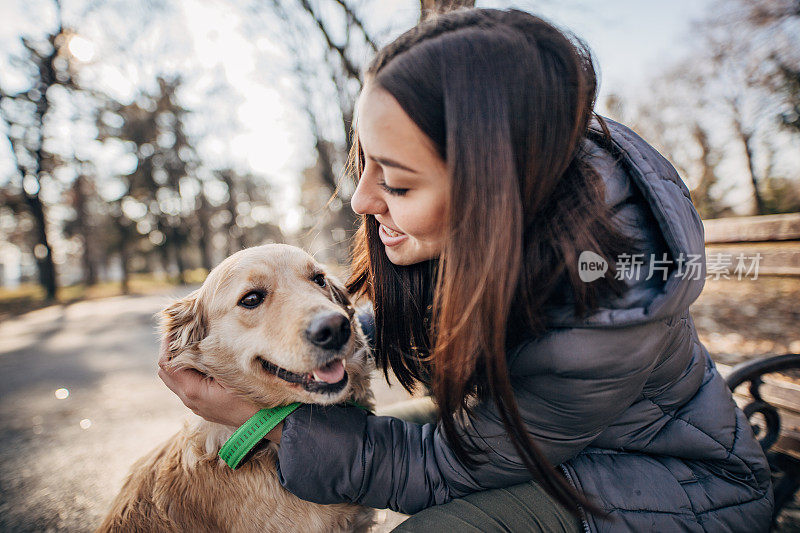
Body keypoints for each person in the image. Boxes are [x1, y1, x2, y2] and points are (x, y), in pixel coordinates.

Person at [158, 8, 773, 532]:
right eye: (364, 163)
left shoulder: (603, 303)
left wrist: (257, 424)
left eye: (395, 181)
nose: (362, 201)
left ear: (489, 189)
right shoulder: (490, 227)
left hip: (682, 487)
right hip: (553, 442)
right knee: (354, 435)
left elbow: (442, 469)